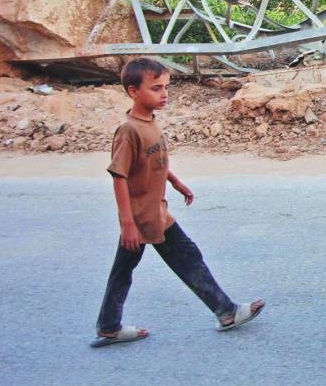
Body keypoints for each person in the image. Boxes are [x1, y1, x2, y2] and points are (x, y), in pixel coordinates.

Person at [90, 58, 264, 347]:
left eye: (166, 87)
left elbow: (152, 160)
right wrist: (128, 224)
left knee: (182, 258)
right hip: (141, 218)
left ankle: (225, 311)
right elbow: (119, 177)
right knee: (130, 270)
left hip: (157, 213)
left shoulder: (150, 122)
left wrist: (175, 181)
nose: (164, 94)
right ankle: (110, 326)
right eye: (156, 88)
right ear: (133, 91)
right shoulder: (129, 130)